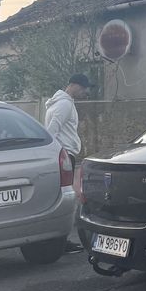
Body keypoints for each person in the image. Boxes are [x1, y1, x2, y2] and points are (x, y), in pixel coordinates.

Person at [44, 74, 91, 254]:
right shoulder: (64, 104)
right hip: (64, 156)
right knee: (65, 198)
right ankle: (61, 241)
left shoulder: (60, 102)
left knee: (60, 197)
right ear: (73, 85)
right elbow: (51, 131)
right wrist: (55, 154)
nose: (85, 92)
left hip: (62, 155)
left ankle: (58, 240)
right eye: (83, 88)